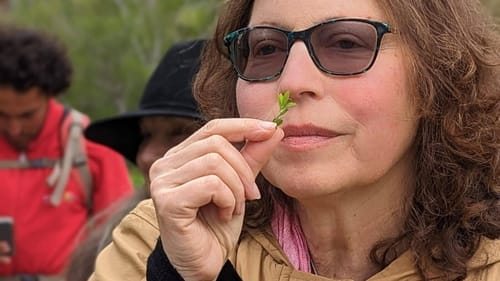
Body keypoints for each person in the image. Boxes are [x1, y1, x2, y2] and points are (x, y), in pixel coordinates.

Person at [91, 1, 500, 281]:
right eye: (266, 47)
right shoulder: (162, 236)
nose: (293, 81)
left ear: (440, 73)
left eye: (346, 44)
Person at [65, 39, 205, 281]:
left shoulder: (270, 260)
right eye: (147, 135)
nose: (146, 155)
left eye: (178, 132)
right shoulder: (107, 247)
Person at [0, 25, 133, 279]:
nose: (14, 129)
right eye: (2, 115)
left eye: (27, 115)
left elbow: (120, 235)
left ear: (51, 95)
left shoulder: (92, 147)